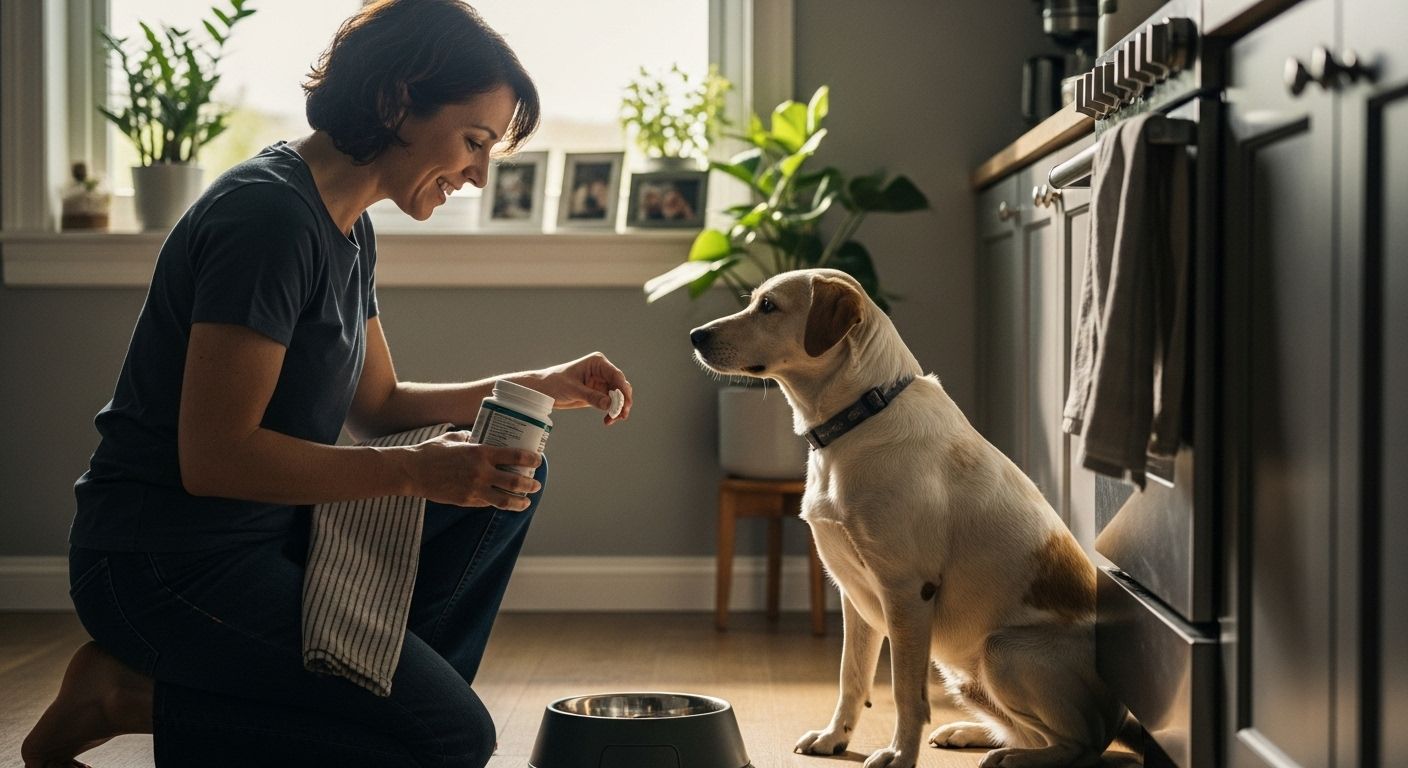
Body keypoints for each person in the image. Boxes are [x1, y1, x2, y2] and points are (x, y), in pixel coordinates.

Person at [20, 1, 633, 766]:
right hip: (159, 565)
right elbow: (215, 459)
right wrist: (414, 473)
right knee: (451, 736)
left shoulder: (347, 227)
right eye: (475, 141)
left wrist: (536, 382)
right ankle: (120, 696)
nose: (479, 174)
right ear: (397, 98)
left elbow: (378, 407)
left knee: (509, 470)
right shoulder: (268, 220)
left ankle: (368, 704)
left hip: (263, 539)